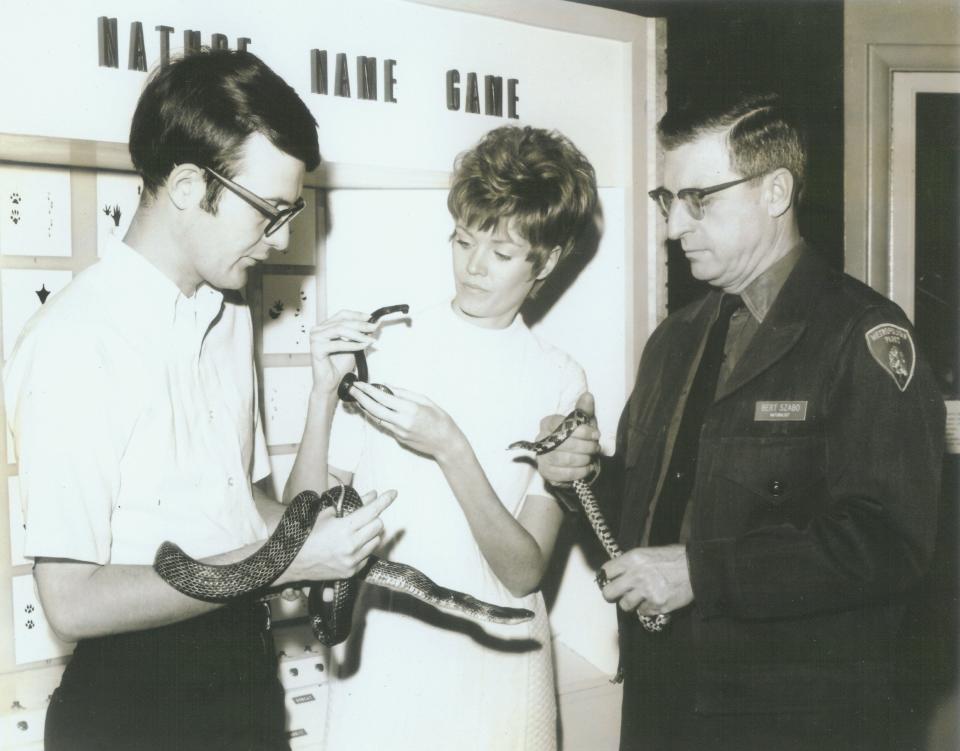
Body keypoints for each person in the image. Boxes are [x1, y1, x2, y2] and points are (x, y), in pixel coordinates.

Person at [3, 49, 394, 751]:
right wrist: (280, 565)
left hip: (244, 680)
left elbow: (267, 521)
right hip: (134, 708)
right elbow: (72, 598)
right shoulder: (75, 341)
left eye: (291, 213)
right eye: (268, 213)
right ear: (187, 185)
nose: (278, 241)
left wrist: (321, 398)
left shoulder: (228, 311)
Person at [536, 93, 945, 751]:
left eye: (699, 199)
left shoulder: (860, 335)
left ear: (775, 191)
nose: (674, 227)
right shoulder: (674, 340)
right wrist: (577, 477)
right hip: (665, 708)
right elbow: (648, 523)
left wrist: (703, 572)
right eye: (666, 201)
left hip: (793, 720)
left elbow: (889, 543)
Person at [291, 125, 599, 751]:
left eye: (503, 253)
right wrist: (322, 397)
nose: (474, 266)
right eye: (464, 240)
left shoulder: (561, 381)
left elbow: (522, 573)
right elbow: (300, 530)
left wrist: (450, 447)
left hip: (503, 668)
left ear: (548, 261)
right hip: (386, 660)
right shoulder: (388, 344)